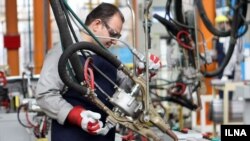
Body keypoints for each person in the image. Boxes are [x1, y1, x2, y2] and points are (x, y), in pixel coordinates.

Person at [35, 3, 161, 141]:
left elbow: (125, 89)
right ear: (96, 24)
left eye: (117, 36)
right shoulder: (64, 51)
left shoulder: (108, 56)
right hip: (71, 135)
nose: (114, 41)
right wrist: (75, 115)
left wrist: (142, 73)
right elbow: (44, 94)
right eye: (113, 34)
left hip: (105, 136)